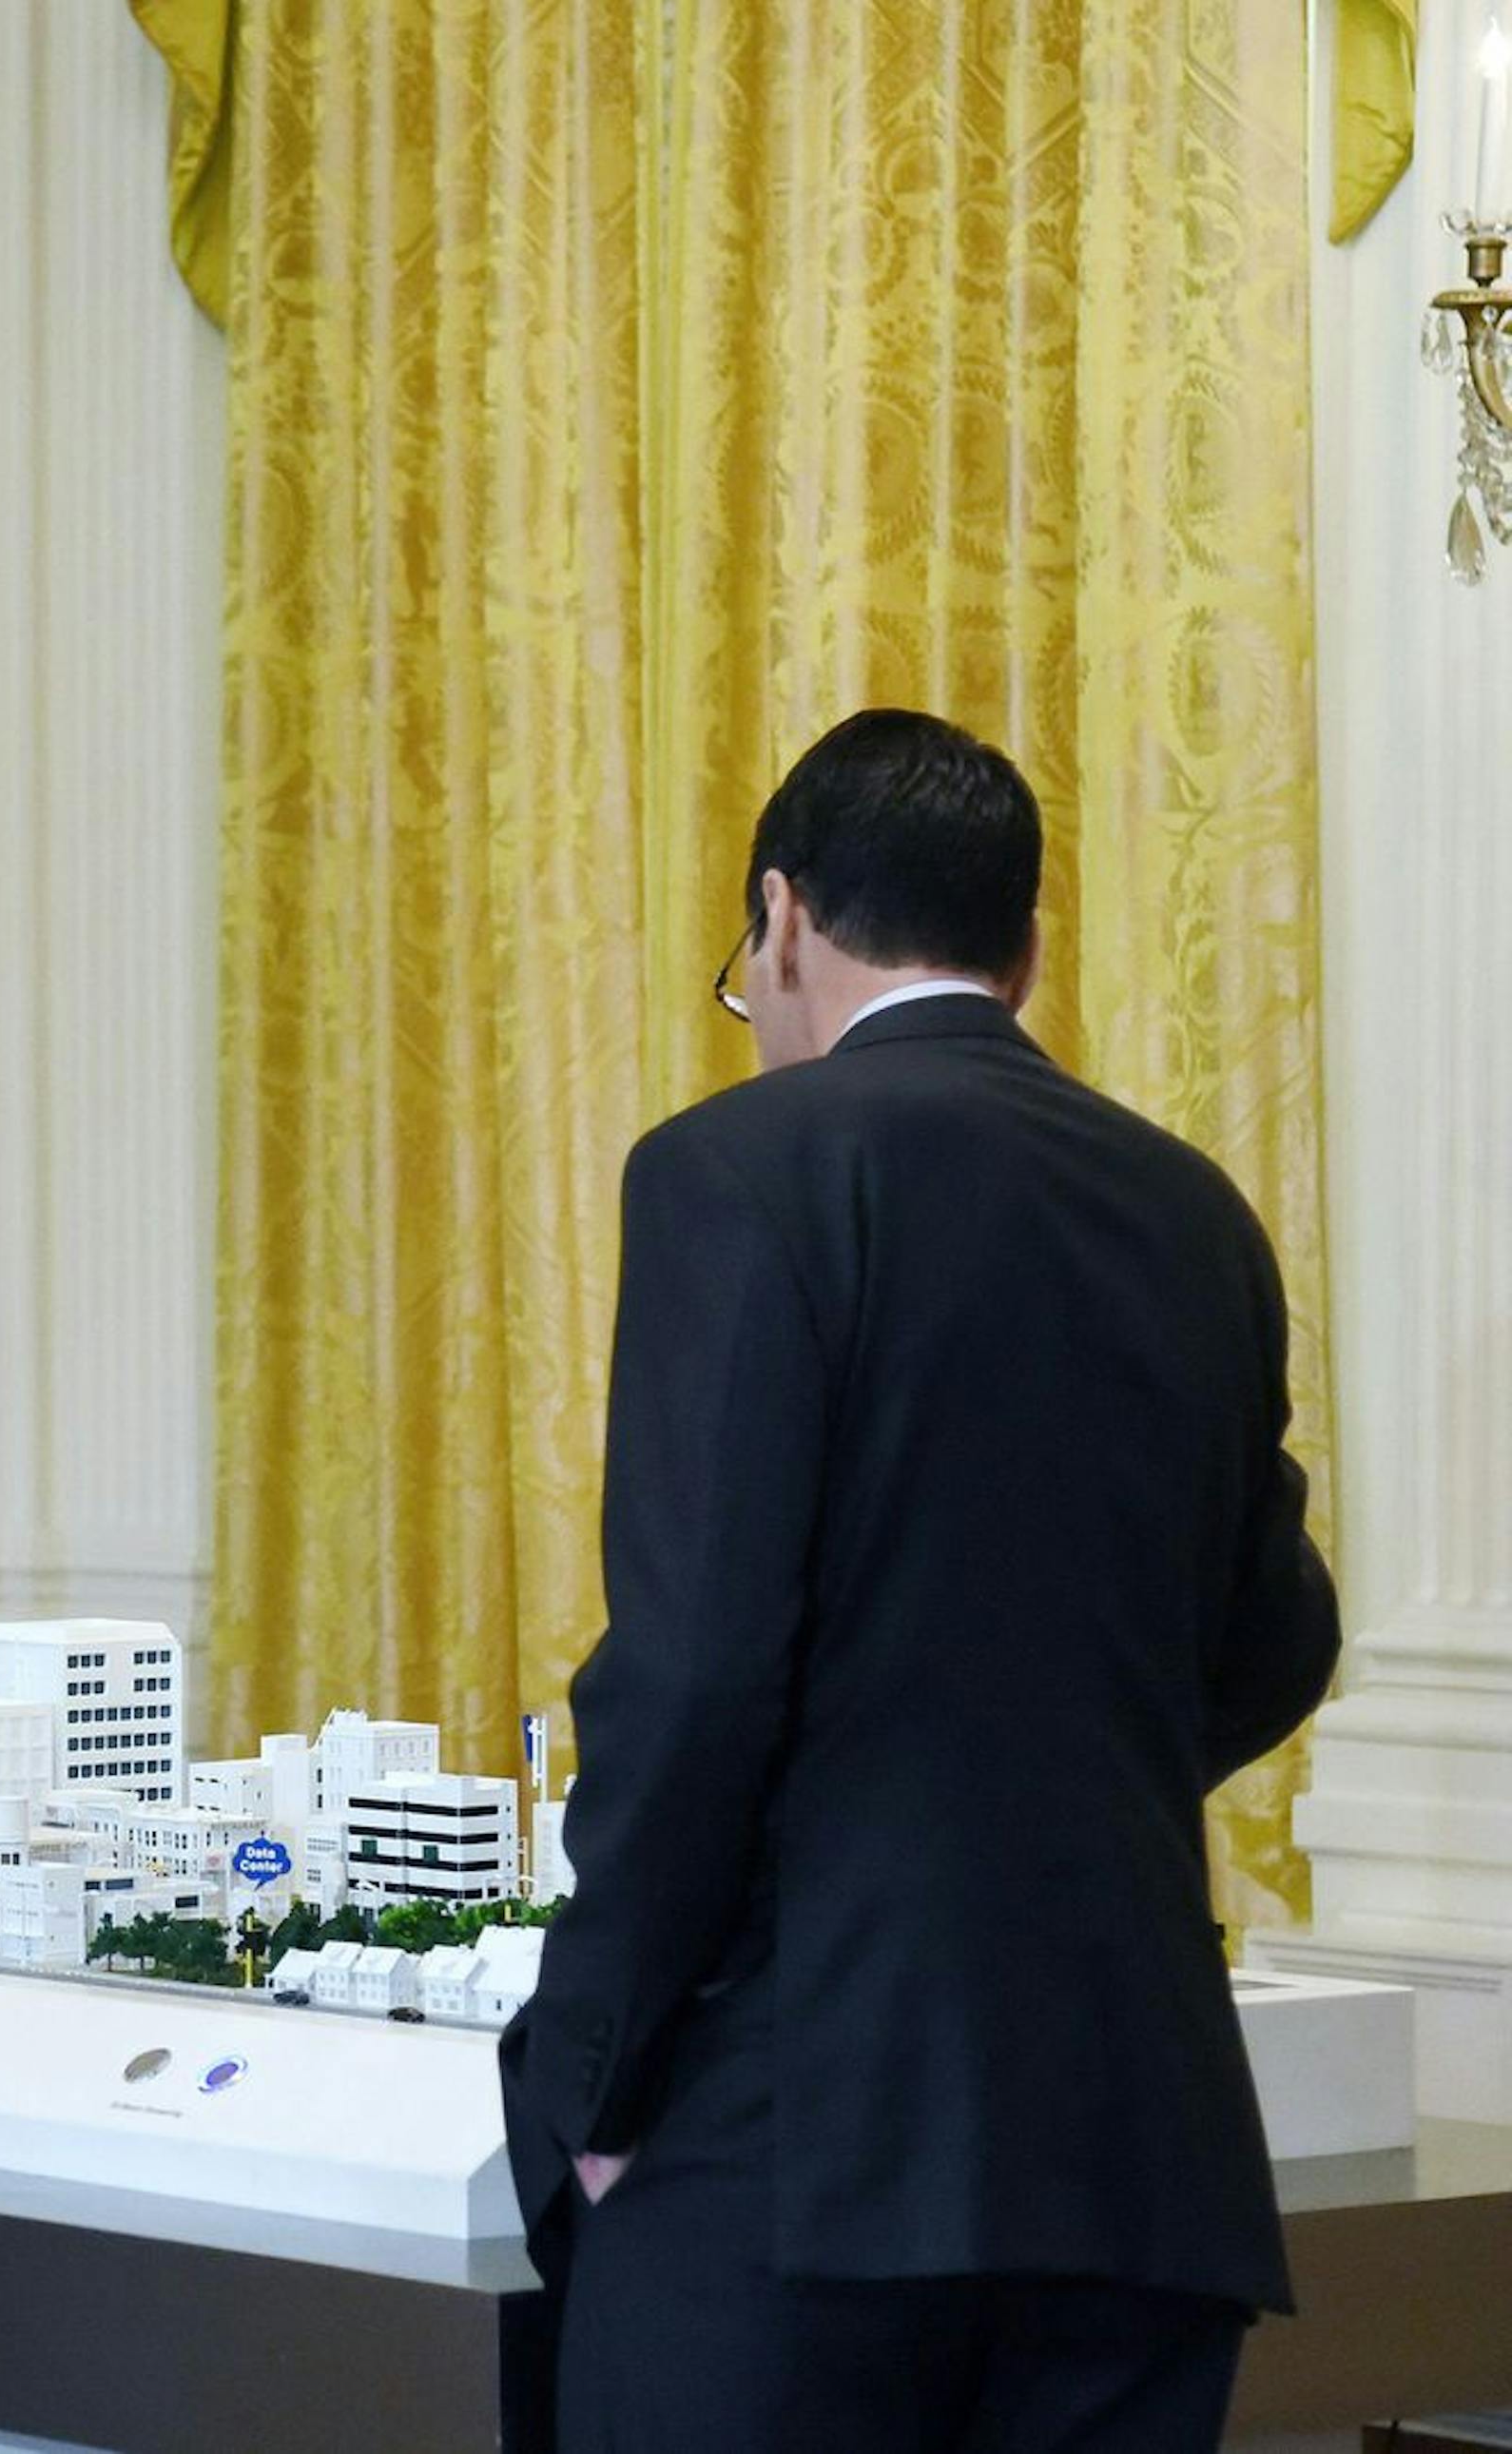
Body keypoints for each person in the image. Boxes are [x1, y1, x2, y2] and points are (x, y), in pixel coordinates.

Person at [495, 709, 1339, 2452]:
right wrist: (1046, 1777)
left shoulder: (739, 1171)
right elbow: (1282, 1629)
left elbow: (701, 1673)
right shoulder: (1197, 1213)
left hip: (805, 2140)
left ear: (784, 919)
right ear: (1026, 952)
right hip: (1139, 2153)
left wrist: (580, 2082)